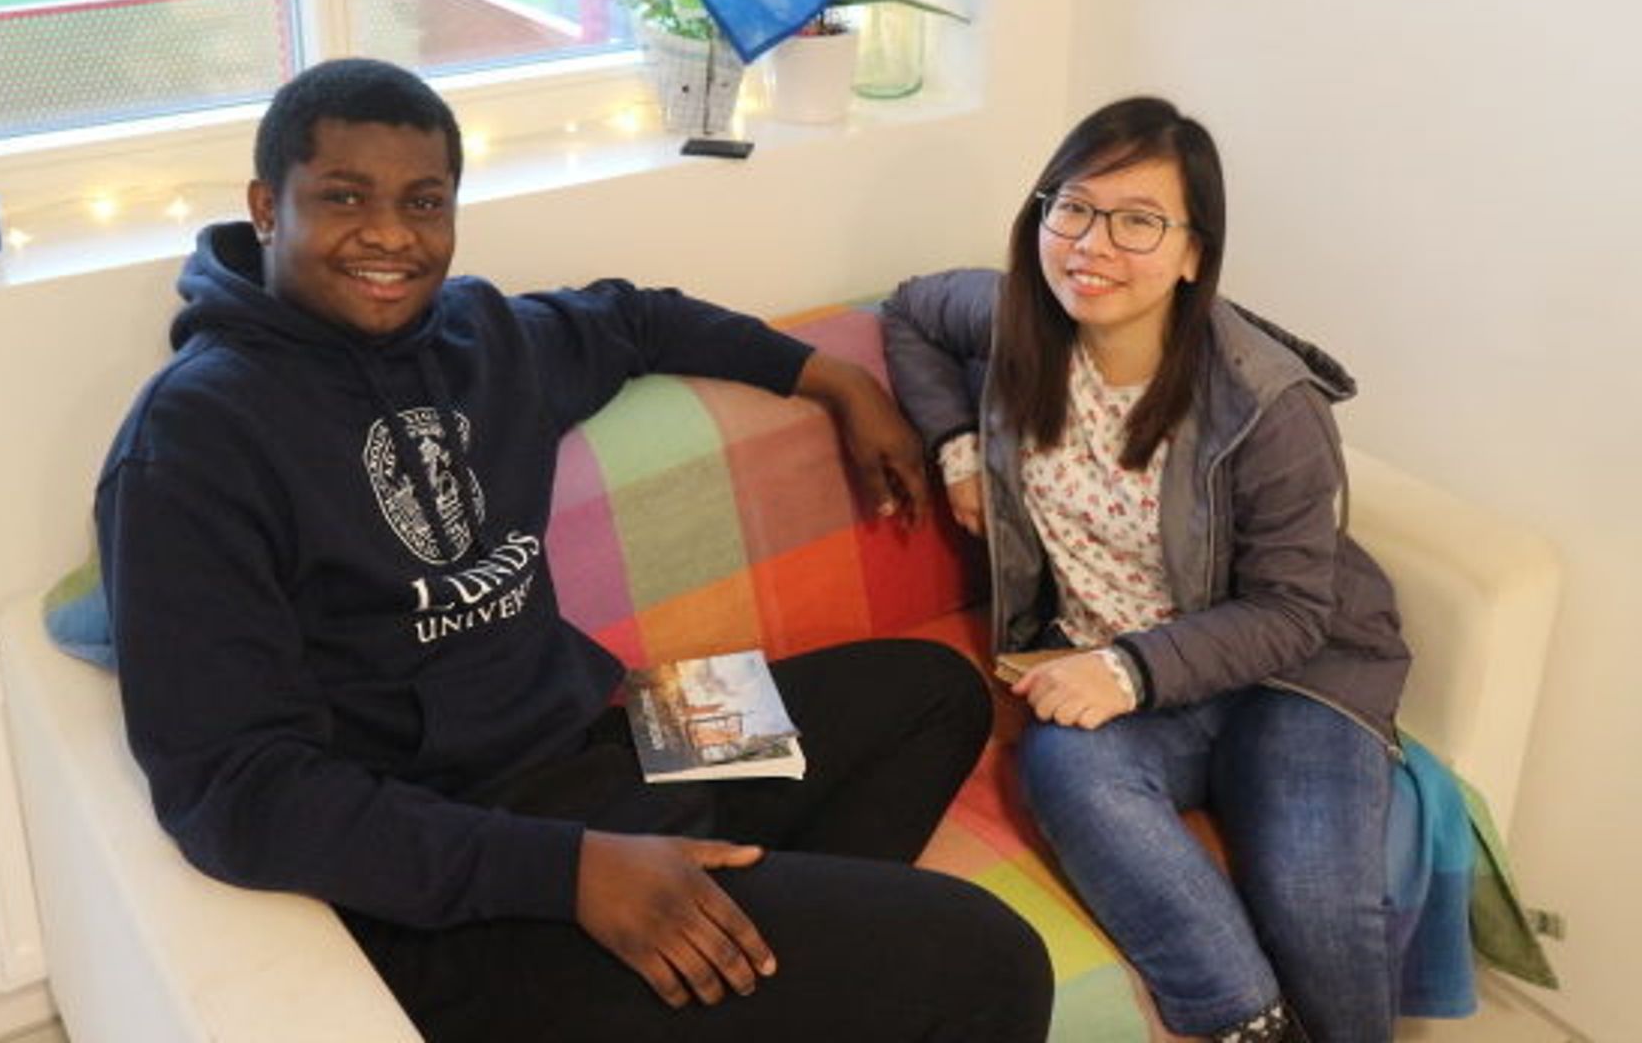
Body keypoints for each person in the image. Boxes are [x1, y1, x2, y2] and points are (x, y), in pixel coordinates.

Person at [97, 58, 1053, 1042]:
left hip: (605, 742)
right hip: (456, 866)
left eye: (423, 202)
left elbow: (637, 319)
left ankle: (755, 975)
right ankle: (735, 959)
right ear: (266, 207)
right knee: (990, 961)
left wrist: (830, 381)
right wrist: (568, 873)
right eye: (344, 197)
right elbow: (236, 794)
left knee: (929, 692)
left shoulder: (480, 337)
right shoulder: (194, 445)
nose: (388, 233)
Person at [881, 96, 1410, 1043]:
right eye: (1072, 207)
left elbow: (1293, 610)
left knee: (1315, 901)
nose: (1092, 244)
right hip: (1137, 691)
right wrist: (956, 446)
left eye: (1138, 222)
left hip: (1291, 676)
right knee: (1065, 764)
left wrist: (1127, 669)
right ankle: (1254, 1025)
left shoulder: (1266, 402)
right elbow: (911, 311)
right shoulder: (1015, 322)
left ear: (1193, 253)